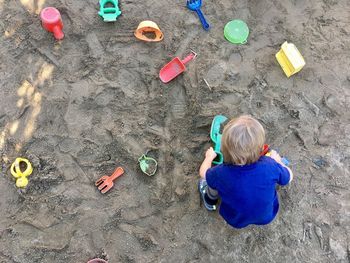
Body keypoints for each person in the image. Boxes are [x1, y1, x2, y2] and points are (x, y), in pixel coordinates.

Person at [198, 115, 293, 229]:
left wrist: (209, 157)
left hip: (236, 219)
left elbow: (203, 172)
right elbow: (289, 177)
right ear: (261, 149)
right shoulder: (270, 165)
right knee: (271, 178)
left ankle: (210, 200)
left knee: (212, 181)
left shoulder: (220, 172)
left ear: (225, 150)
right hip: (266, 216)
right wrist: (278, 162)